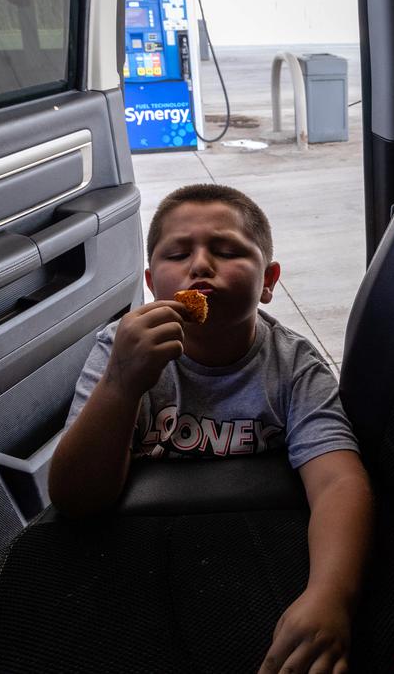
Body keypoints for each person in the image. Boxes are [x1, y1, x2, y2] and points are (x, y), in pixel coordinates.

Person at [49, 183, 372, 674]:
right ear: (152, 282)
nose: (200, 265)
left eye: (226, 251)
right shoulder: (120, 350)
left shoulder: (293, 366)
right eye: (177, 254)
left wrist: (331, 597)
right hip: (139, 550)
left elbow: (338, 482)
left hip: (259, 546)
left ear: (268, 282)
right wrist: (121, 384)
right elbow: (74, 499)